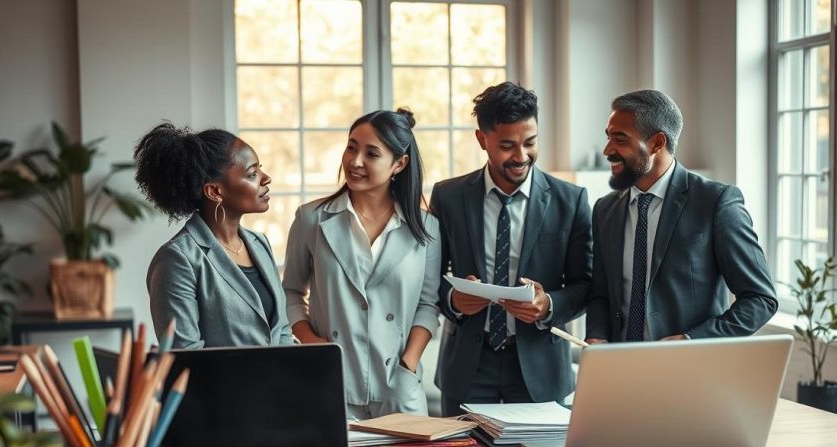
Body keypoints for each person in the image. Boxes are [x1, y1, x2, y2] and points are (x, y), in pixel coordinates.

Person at [432, 82, 593, 417]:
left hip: (540, 368)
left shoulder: (571, 201)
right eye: (507, 145)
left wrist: (548, 304)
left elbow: (587, 284)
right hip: (468, 368)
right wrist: (453, 301)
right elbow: (428, 278)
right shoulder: (448, 197)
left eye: (530, 143)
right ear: (482, 139)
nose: (521, 156)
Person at [282, 109, 440, 418]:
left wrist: (408, 363)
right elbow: (290, 292)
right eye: (352, 146)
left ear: (399, 164)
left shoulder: (426, 226)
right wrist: (313, 343)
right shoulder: (311, 219)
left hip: (399, 385)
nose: (355, 161)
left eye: (371, 153)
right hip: (331, 381)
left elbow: (428, 304)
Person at [586, 89, 777, 344]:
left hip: (690, 371)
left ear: (657, 143)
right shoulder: (604, 210)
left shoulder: (716, 202)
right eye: (608, 138)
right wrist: (597, 335)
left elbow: (761, 299)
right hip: (620, 371)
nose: (608, 150)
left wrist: (692, 340)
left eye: (620, 140)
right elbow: (600, 293)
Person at [136, 123, 294, 349]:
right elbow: (186, 355)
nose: (266, 178)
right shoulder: (177, 260)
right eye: (252, 173)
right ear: (215, 191)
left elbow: (282, 329)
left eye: (260, 169)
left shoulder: (260, 243)